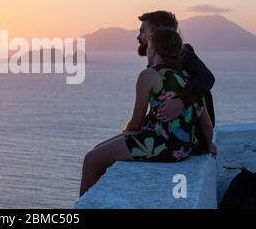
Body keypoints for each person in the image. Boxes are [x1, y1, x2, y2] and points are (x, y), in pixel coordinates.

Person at [79, 27, 216, 197]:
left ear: (155, 49)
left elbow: (136, 123)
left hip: (161, 145)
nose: (147, 51)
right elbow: (207, 125)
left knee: (91, 159)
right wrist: (210, 145)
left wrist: (125, 132)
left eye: (149, 46)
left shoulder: (149, 75)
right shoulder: (188, 78)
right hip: (184, 149)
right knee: (99, 149)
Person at [137, 11, 216, 155]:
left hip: (184, 142)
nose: (138, 37)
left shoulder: (183, 54)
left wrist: (181, 102)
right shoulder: (161, 67)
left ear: (156, 33)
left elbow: (207, 77)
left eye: (143, 31)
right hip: (178, 140)